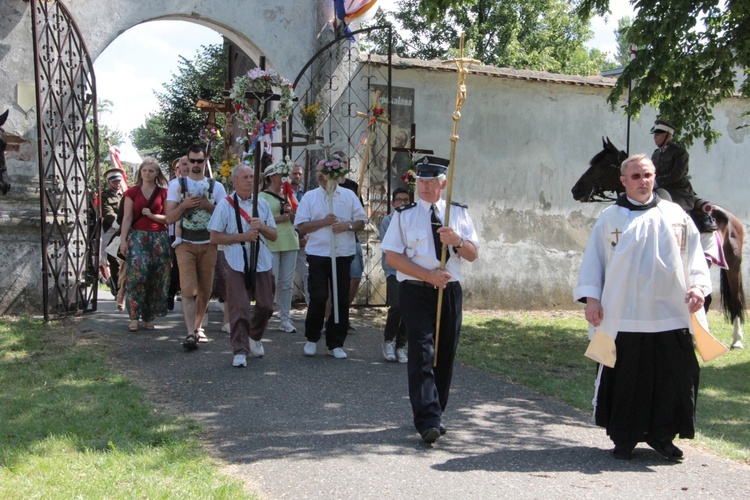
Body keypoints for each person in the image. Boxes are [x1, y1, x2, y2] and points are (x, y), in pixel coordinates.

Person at [574, 154, 711, 461]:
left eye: (647, 175)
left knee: (672, 378)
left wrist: (698, 288)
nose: (642, 181)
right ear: (623, 181)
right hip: (624, 314)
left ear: (655, 177)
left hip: (670, 313)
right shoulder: (611, 218)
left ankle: (663, 436)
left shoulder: (675, 214)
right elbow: (593, 261)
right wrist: (592, 299)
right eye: (635, 176)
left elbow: (695, 260)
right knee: (626, 379)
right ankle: (625, 437)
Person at [381, 155, 479, 443]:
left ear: (443, 183)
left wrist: (457, 242)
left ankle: (437, 411)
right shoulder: (404, 215)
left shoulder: (458, 214)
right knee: (422, 352)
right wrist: (428, 276)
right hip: (416, 290)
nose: (424, 187)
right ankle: (427, 420)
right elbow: (393, 257)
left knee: (445, 354)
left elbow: (473, 254)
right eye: (420, 182)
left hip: (449, 291)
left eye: (430, 182)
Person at [294, 158, 367, 359]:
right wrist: (322, 222)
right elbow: (300, 226)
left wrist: (348, 226)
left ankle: (335, 342)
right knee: (318, 296)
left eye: (327, 177)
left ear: (335, 177)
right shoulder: (310, 197)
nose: (324, 180)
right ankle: (312, 337)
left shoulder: (349, 196)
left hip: (342, 254)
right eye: (320, 177)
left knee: (341, 298)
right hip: (318, 254)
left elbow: (361, 221)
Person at [208, 163, 277, 367]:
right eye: (245, 177)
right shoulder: (225, 205)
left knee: (265, 305)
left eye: (252, 177)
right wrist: (243, 236)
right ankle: (239, 350)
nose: (249, 180)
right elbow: (214, 237)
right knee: (239, 307)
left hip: (261, 260)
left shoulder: (262, 204)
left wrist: (262, 227)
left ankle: (254, 336)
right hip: (236, 261)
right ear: (235, 180)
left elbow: (273, 235)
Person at [165, 145, 226, 349]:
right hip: (185, 244)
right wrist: (184, 205)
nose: (196, 165)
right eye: (192, 161)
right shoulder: (177, 185)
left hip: (208, 243)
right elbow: (169, 218)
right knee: (188, 289)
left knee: (205, 290)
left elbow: (226, 218)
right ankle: (190, 333)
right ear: (187, 161)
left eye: (200, 161)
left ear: (205, 160)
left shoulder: (216, 186)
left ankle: (198, 327)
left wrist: (208, 206)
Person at [118, 157, 171, 331]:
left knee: (156, 277)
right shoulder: (132, 192)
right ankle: (134, 316)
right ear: (140, 172)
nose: (147, 173)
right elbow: (127, 218)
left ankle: (149, 316)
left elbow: (169, 218)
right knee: (136, 276)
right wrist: (123, 240)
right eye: (145, 170)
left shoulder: (164, 193)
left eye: (151, 171)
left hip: (159, 237)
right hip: (138, 237)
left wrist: (152, 216)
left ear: (157, 173)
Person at [651, 119, 717, 232]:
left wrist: (658, 182)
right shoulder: (656, 153)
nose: (655, 137)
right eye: (655, 135)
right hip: (659, 189)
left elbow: (677, 175)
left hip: (678, 191)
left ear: (668, 135)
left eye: (658, 134)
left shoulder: (679, 152)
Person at [260, 160, 300, 333]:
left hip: (290, 240)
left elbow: (297, 217)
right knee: (272, 281)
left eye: (283, 175)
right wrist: (278, 219)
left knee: (287, 282)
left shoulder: (288, 194)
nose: (282, 178)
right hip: (272, 242)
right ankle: (266, 315)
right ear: (270, 177)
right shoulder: (262, 197)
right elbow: (259, 222)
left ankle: (285, 318)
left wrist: (290, 213)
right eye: (279, 175)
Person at [380, 188, 411, 363]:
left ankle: (401, 345)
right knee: (397, 305)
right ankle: (388, 340)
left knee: (409, 308)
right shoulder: (388, 221)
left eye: (406, 200)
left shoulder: (414, 221)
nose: (402, 203)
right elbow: (389, 246)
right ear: (393, 203)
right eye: (399, 200)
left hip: (411, 271)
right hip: (394, 270)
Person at [167, 156, 190, 311]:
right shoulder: (174, 184)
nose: (187, 166)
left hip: (196, 231)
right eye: (182, 164)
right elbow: (169, 212)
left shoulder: (205, 183)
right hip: (175, 231)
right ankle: (170, 293)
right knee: (176, 265)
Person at [100, 167, 125, 297]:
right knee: (114, 261)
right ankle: (117, 288)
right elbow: (108, 212)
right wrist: (121, 224)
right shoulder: (104, 196)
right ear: (109, 182)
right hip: (112, 231)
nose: (117, 183)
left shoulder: (126, 194)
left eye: (119, 180)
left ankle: (125, 287)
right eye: (114, 181)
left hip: (128, 230)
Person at [290, 163, 310, 305]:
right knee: (285, 276)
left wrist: (306, 236)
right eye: (294, 173)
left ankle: (311, 304)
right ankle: (281, 306)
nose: (297, 176)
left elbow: (310, 217)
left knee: (308, 274)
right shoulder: (284, 193)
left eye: (299, 174)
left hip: (303, 239)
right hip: (288, 239)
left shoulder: (305, 195)